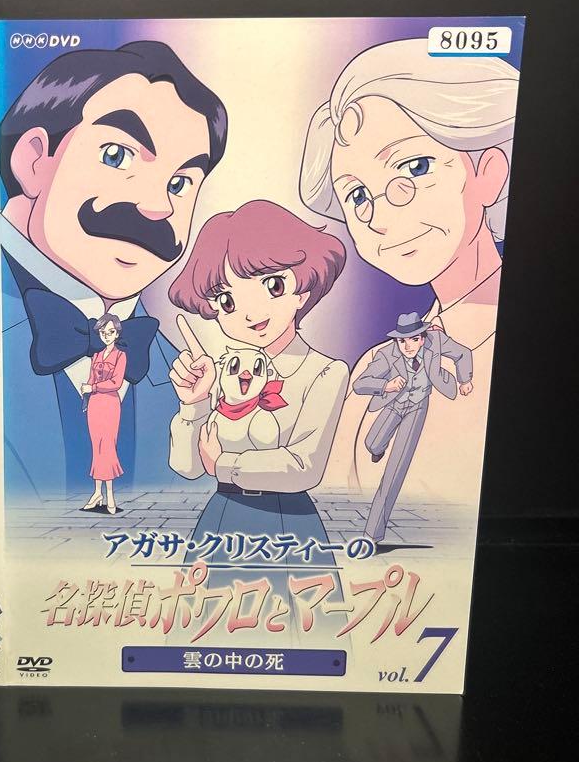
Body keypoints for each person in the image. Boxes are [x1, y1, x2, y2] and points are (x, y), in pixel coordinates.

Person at [0, 40, 228, 500]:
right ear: (33, 160)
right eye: (117, 156)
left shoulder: (177, 374)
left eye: (180, 184)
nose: (158, 206)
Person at [299, 38, 518, 503]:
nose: (379, 216)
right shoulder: (375, 367)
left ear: (488, 173)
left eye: (414, 167)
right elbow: (334, 515)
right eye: (357, 195)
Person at [167, 200, 348, 566]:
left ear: (303, 288)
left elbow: (304, 467)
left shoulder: (324, 372)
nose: (250, 313)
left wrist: (223, 464)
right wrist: (193, 405)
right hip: (222, 518)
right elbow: (188, 468)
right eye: (227, 301)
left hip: (287, 524)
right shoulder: (218, 372)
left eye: (273, 285)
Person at [353, 312, 473, 543]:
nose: (408, 346)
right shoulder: (386, 355)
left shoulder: (436, 341)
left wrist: (464, 380)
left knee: (395, 469)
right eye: (402, 341)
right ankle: (377, 449)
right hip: (393, 404)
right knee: (372, 443)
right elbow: (360, 384)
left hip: (417, 408)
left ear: (423, 337)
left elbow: (463, 353)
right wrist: (385, 385)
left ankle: (373, 533)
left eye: (414, 339)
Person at [81, 313, 127, 513]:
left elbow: (116, 382)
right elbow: (91, 379)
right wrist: (87, 390)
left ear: (117, 333)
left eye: (111, 332)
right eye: (103, 332)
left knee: (107, 447)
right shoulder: (96, 356)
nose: (107, 336)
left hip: (110, 404)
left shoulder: (120, 356)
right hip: (95, 405)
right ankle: (97, 492)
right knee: (97, 447)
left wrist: (93, 387)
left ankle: (110, 495)